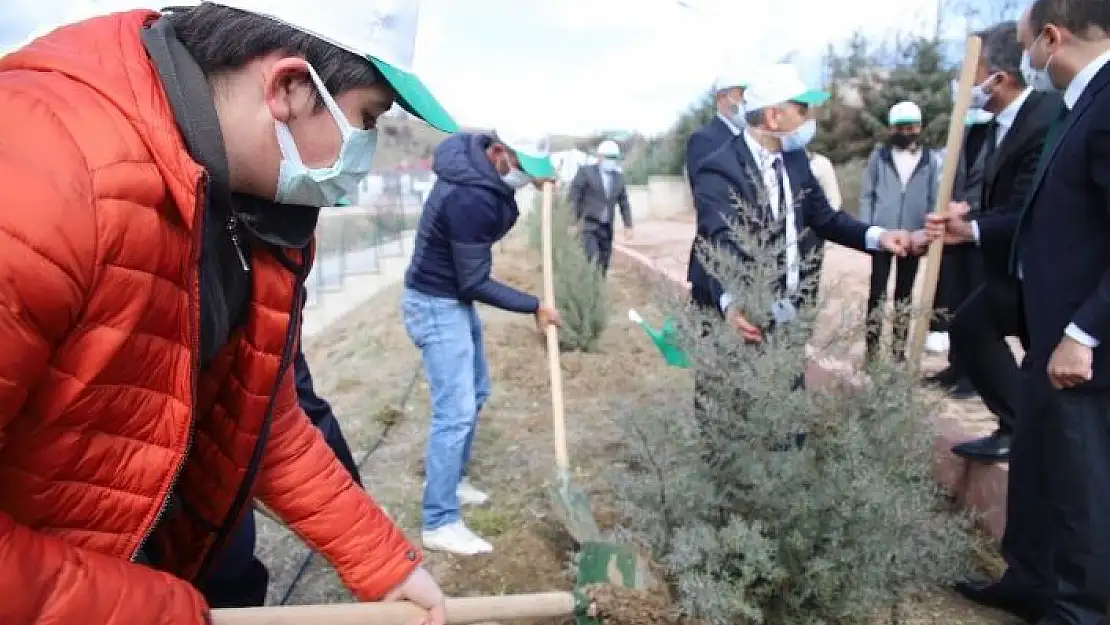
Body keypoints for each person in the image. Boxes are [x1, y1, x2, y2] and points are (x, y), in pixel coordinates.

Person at [0, 1, 456, 623]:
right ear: (290, 87)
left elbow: (260, 416)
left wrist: (385, 564)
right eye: (367, 120)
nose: (368, 151)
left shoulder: (253, 207)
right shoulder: (39, 173)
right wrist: (154, 610)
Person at [929, 2, 1110, 623]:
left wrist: (1084, 332)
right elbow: (1051, 217)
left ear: (1052, 39)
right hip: (1046, 321)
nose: (1027, 58)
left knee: (1081, 481)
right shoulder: (1079, 104)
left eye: (1030, 45)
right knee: (1037, 461)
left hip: (1082, 338)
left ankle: (1080, 609)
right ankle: (1029, 580)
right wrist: (973, 229)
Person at [402, 131, 561, 556]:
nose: (525, 180)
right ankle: (440, 521)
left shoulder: (479, 174)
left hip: (450, 298)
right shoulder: (468, 196)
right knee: (453, 412)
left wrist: (539, 177)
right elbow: (475, 281)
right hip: (436, 304)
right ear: (498, 153)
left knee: (477, 393)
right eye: (523, 171)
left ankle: (453, 481)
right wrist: (534, 305)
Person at [687, 63, 917, 348]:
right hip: (742, 317)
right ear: (773, 116)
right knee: (729, 391)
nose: (809, 119)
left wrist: (879, 236)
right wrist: (734, 300)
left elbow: (826, 219)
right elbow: (722, 238)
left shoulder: (795, 161)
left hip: (786, 314)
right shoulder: (720, 169)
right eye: (802, 110)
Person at [945, 22, 1063, 464]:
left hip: (1042, 268)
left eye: (970, 73)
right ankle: (1018, 427)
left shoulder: (1045, 119)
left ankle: (1034, 437)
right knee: (972, 326)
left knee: (1048, 367)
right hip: (1011, 267)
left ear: (999, 77)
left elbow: (1029, 207)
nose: (963, 85)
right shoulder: (999, 126)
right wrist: (968, 217)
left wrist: (970, 229)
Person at [202, 303, 366, 608]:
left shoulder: (265, 274)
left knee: (232, 572)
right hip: (121, 558)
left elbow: (280, 424)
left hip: (213, 500)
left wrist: (374, 551)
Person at [858, 101, 940, 362]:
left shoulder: (930, 159)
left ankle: (898, 352)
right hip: (882, 236)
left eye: (913, 127)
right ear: (894, 129)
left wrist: (926, 234)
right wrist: (868, 230)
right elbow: (867, 194)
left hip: (913, 237)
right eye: (903, 127)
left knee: (904, 295)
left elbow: (933, 198)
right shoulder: (879, 156)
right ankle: (871, 353)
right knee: (877, 294)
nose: (908, 132)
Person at [567, 140, 634, 275]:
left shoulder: (618, 178)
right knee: (592, 259)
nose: (611, 161)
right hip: (588, 225)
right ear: (599, 157)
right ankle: (589, 287)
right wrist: (572, 222)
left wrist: (628, 225)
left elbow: (624, 202)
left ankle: (598, 291)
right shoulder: (586, 173)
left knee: (604, 263)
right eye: (608, 157)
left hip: (606, 228)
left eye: (614, 158)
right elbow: (574, 198)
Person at [685, 68, 747, 174]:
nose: (745, 101)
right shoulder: (703, 140)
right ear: (722, 97)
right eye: (741, 95)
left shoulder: (748, 138)